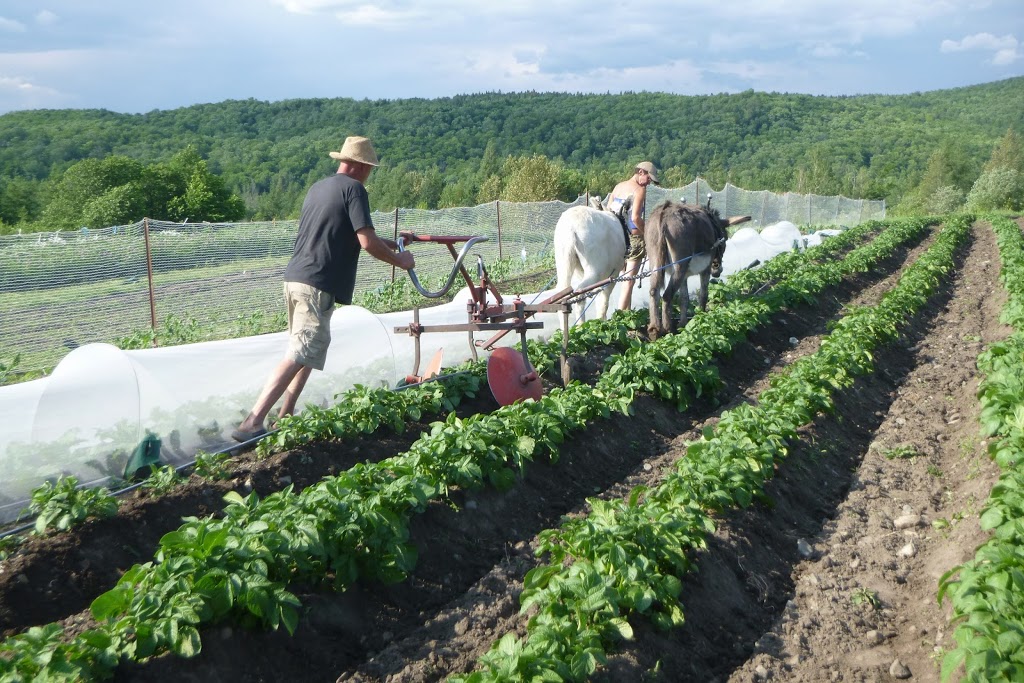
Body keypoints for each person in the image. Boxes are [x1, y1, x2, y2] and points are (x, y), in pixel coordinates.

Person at [232, 136, 415, 442]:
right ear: (357, 165)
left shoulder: (320, 188)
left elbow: (358, 234)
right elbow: (367, 243)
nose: (369, 173)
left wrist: (394, 242)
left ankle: (285, 414)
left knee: (309, 349)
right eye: (368, 167)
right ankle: (253, 420)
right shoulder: (354, 189)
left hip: (297, 279)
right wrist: (401, 261)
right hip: (317, 281)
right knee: (301, 349)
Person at [606, 161, 659, 310]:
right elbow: (635, 218)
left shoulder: (618, 187)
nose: (649, 183)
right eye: (649, 178)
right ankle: (621, 318)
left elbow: (608, 211)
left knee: (622, 276)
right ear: (641, 172)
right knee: (629, 281)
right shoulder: (639, 190)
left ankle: (626, 312)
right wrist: (647, 232)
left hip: (617, 236)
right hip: (634, 239)